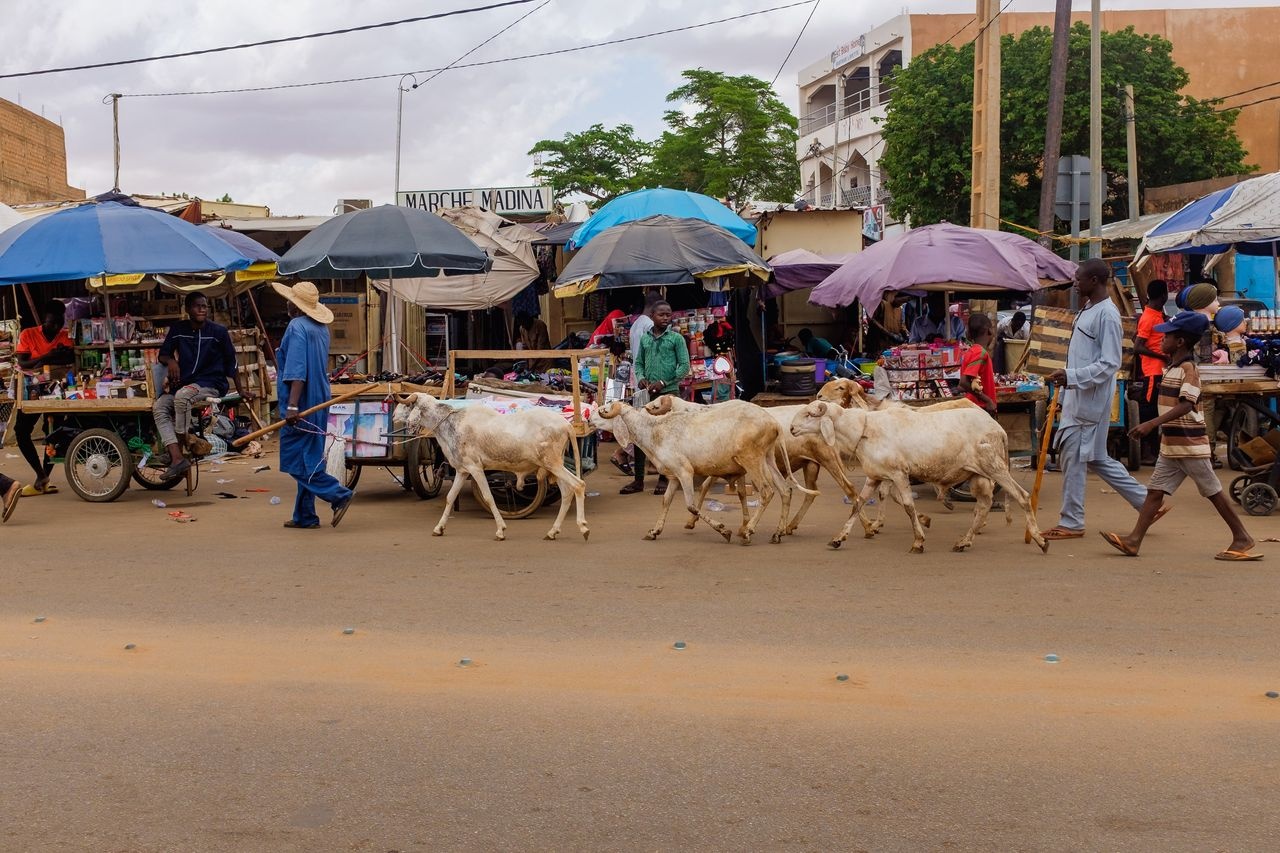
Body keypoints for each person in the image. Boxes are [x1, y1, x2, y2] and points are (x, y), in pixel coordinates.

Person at [1100, 311, 1260, 561]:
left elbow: (1186, 404)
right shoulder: (1172, 368)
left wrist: (1151, 423)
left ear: (1180, 342)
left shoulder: (1188, 369)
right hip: (1172, 446)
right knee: (1154, 492)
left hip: (1189, 444)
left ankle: (1242, 537)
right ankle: (1133, 541)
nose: (1161, 340)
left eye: (1167, 337)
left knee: (1213, 492)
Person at [1044, 258, 1157, 540]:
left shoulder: (1107, 314)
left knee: (1072, 456)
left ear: (1094, 281)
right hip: (1079, 399)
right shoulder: (1088, 309)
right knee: (1096, 458)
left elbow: (1109, 364)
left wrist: (1071, 376)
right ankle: (1147, 504)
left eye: (1079, 278)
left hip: (1088, 403)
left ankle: (1071, 522)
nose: (1075, 282)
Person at [273, 282, 353, 529]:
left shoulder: (297, 327)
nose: (286, 303)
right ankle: (305, 515)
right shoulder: (320, 328)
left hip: (303, 401)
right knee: (310, 457)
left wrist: (294, 405)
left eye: (289, 300)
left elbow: (297, 370)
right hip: (320, 398)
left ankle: (338, 494)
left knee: (296, 459)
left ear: (294, 305)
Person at [153, 293, 252, 479]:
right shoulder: (178, 329)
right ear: (187, 309)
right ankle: (176, 457)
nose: (202, 309)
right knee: (159, 407)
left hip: (210, 383)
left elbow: (232, 363)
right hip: (185, 383)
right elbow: (163, 355)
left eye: (204, 306)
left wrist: (240, 390)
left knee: (182, 396)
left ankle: (185, 443)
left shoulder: (218, 332)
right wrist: (172, 362)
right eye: (197, 306)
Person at [621, 300, 690, 495]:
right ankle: (638, 480)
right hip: (647, 394)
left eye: (668, 314)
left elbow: (684, 367)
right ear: (652, 316)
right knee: (639, 437)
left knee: (665, 437)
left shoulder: (676, 339)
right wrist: (642, 379)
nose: (666, 318)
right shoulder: (645, 339)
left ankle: (664, 478)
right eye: (661, 314)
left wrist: (663, 383)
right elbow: (639, 363)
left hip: (669, 394)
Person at [14, 301, 74, 495]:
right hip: (31, 391)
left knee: (54, 434)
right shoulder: (28, 334)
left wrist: (40, 360)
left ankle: (44, 478)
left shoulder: (66, 336)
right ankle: (40, 473)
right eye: (51, 323)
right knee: (21, 431)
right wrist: (49, 356)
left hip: (57, 391)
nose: (55, 327)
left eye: (59, 323)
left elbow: (71, 359)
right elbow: (22, 362)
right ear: (44, 320)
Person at [950, 313, 1001, 506]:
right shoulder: (980, 353)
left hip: (973, 408)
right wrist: (988, 399)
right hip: (979, 410)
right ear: (989, 330)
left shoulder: (971, 351)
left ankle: (953, 487)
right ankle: (986, 497)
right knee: (986, 456)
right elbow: (964, 382)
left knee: (976, 455)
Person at [1133, 281, 1170, 465]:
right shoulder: (1148, 317)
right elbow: (1138, 347)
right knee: (1149, 411)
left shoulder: (1158, 314)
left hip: (1160, 370)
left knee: (1156, 410)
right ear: (1163, 296)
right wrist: (1161, 357)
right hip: (1152, 372)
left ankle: (1155, 451)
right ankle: (1147, 452)